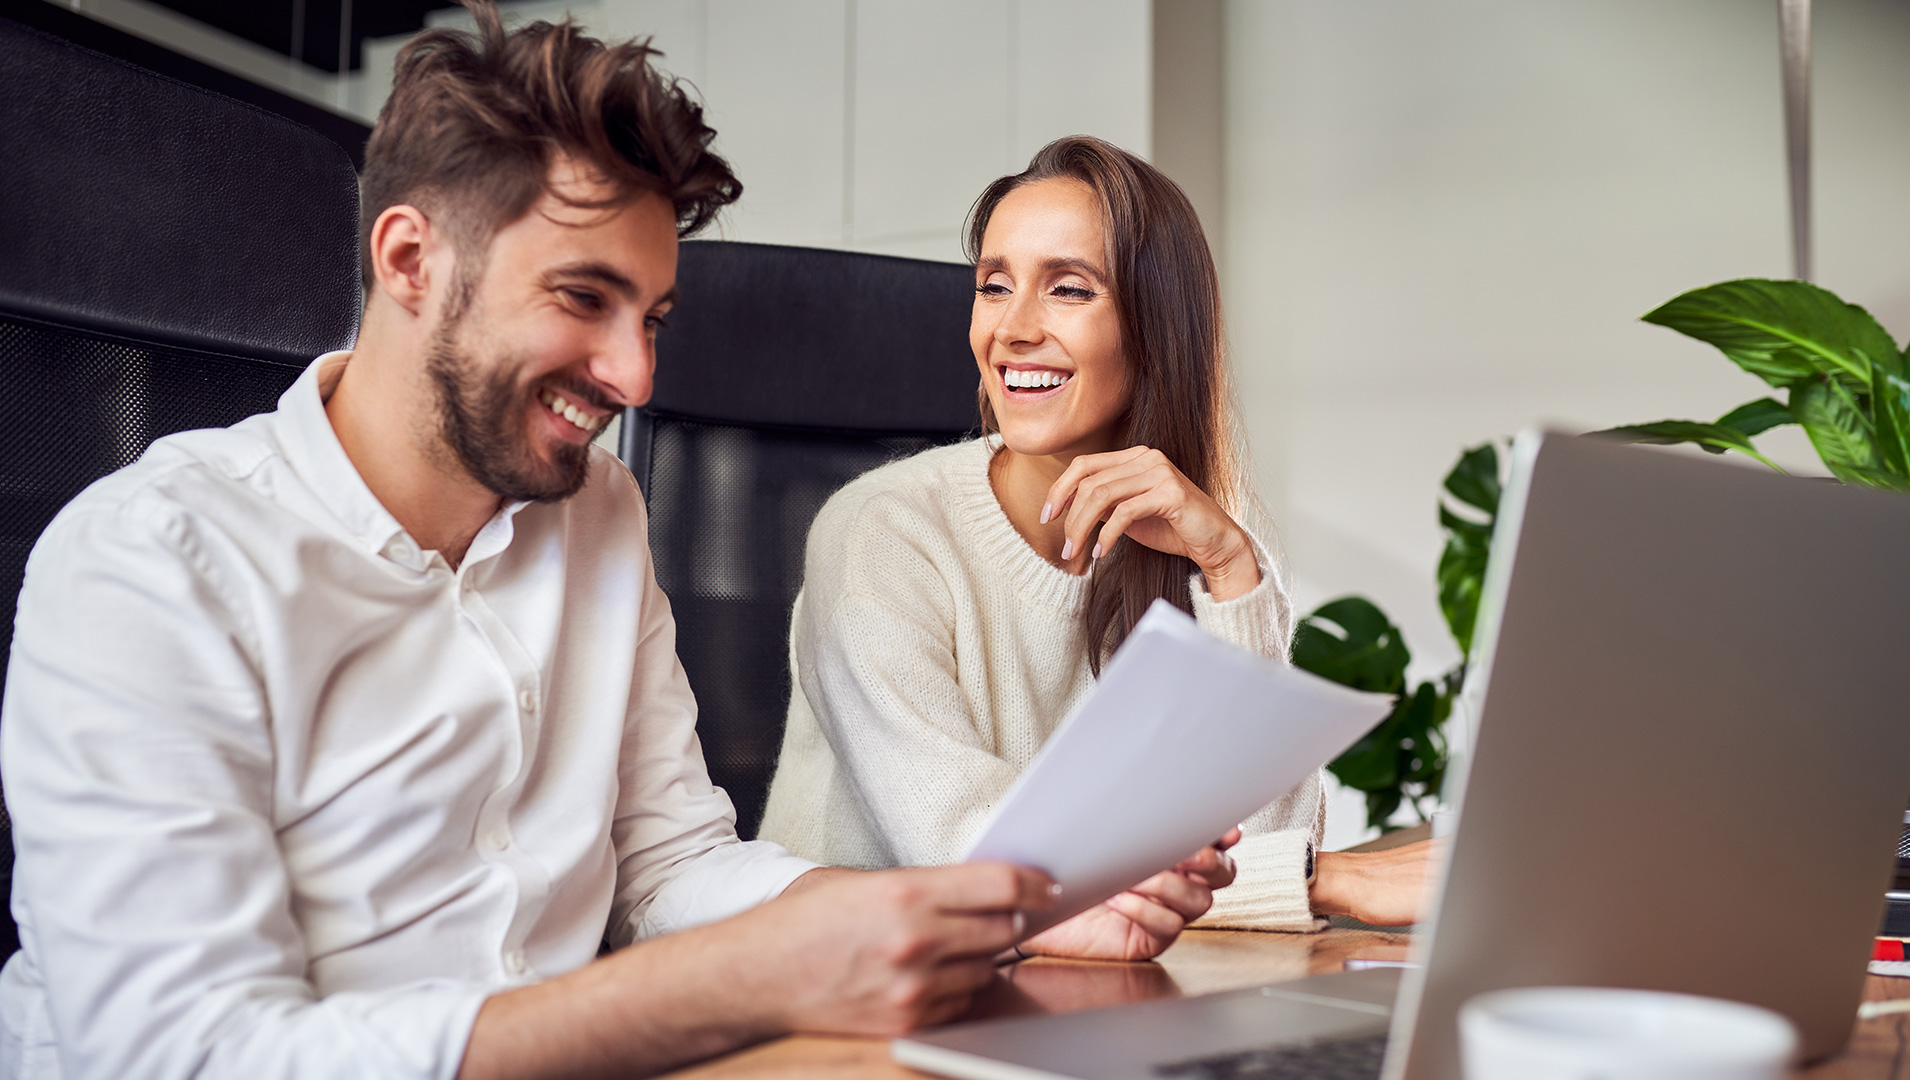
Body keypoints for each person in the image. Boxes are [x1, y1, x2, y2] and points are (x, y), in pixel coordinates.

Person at [0, 12, 1229, 1080]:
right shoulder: (147, 566)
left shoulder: (594, 514)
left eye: (652, 317)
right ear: (411, 260)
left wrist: (988, 913)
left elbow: (670, 862)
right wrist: (736, 981)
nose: (635, 376)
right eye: (585, 299)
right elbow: (183, 1056)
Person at [759, 136, 1433, 948]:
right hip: (853, 1011)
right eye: (994, 286)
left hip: (1088, 985)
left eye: (1067, 289)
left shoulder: (1191, 543)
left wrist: (1231, 570)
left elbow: (1257, 834)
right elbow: (973, 859)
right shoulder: (882, 535)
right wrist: (1329, 876)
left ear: (1154, 330)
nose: (1012, 328)